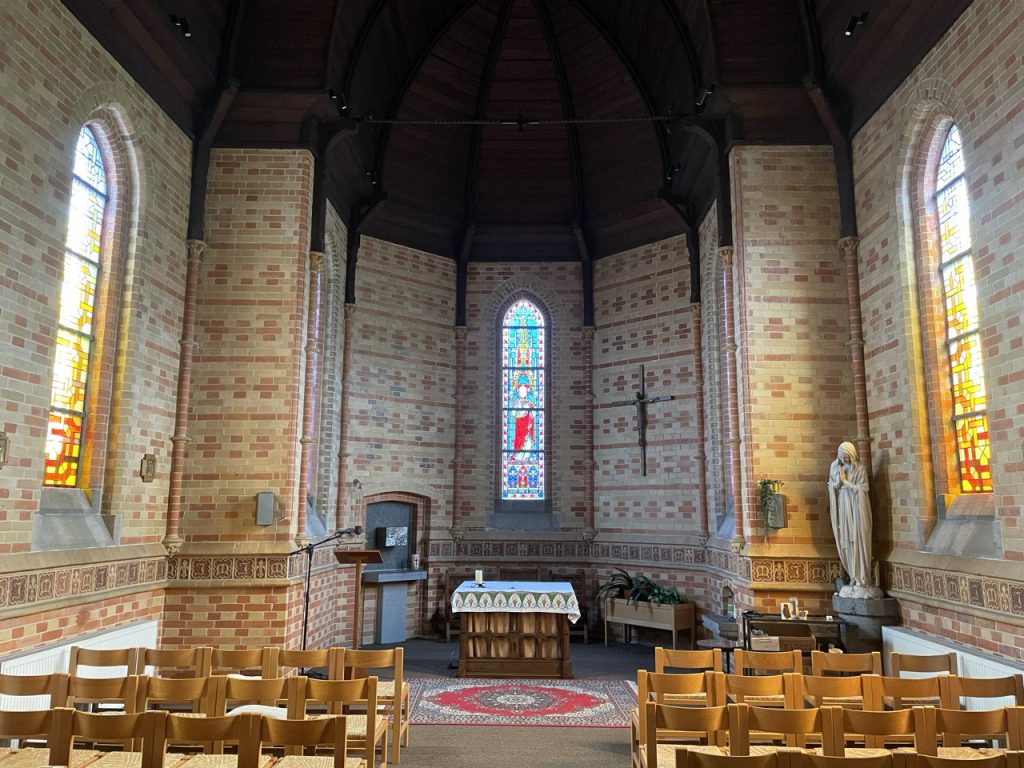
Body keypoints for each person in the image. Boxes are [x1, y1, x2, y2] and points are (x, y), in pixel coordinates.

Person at [827, 441, 881, 598]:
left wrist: (846, 482)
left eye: (846, 457)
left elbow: (864, 489)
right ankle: (853, 575)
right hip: (843, 508)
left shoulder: (860, 469)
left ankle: (862, 577)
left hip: (857, 508)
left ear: (852, 455)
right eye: (841, 457)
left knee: (857, 539)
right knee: (846, 540)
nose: (844, 460)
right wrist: (838, 482)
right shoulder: (835, 467)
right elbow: (832, 487)